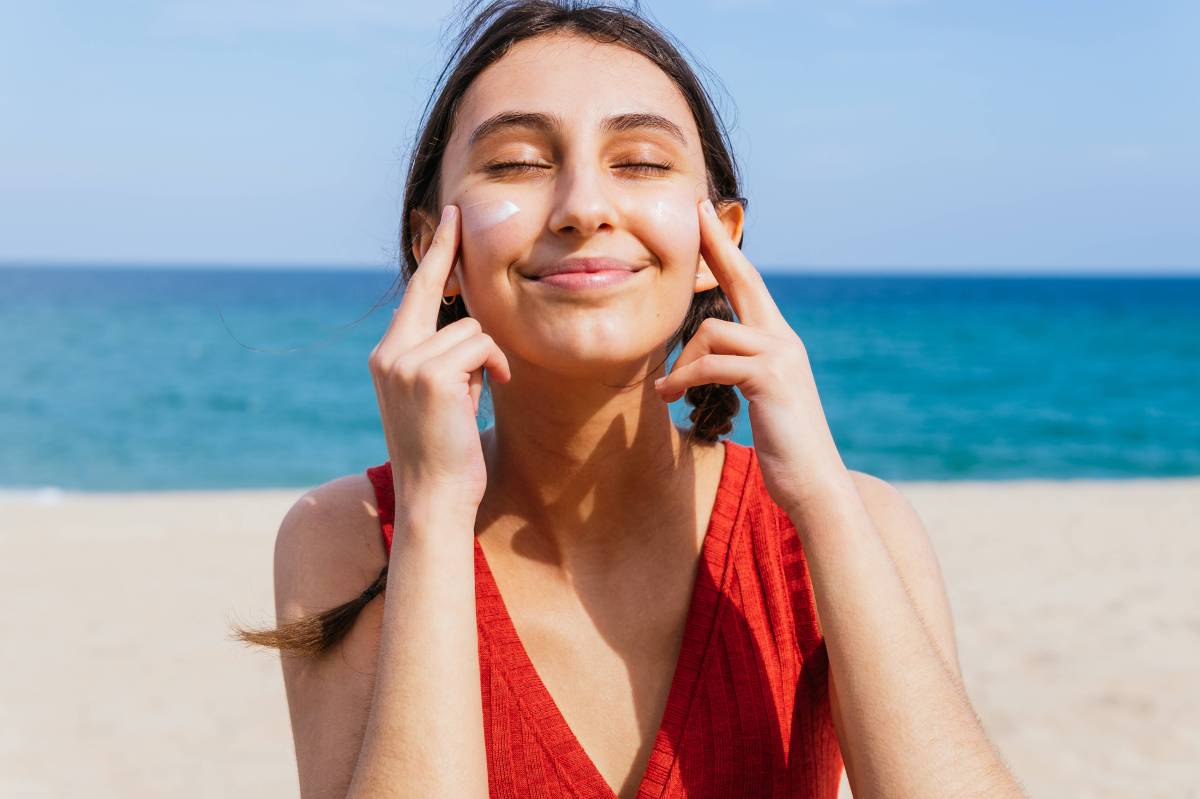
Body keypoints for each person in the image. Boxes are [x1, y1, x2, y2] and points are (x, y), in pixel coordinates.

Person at [233, 2, 1026, 797]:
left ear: (720, 239)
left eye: (641, 162)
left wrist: (821, 494)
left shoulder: (853, 525)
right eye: (515, 162)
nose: (583, 206)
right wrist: (434, 506)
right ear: (431, 248)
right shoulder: (350, 538)